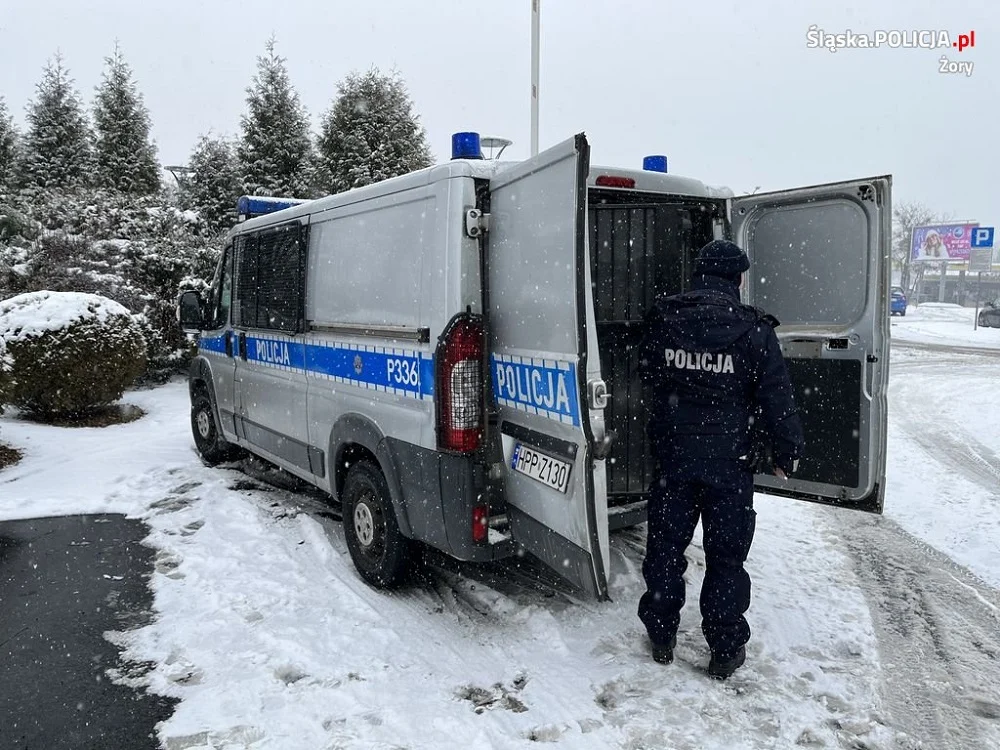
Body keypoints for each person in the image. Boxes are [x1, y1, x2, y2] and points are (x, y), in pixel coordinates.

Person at [636, 239, 805, 680]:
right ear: (739, 279)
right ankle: (725, 649)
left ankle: (661, 634)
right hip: (730, 462)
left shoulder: (665, 317)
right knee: (726, 558)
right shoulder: (754, 330)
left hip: (675, 457)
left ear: (699, 273)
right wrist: (786, 452)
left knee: (666, 548)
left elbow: (648, 374)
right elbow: (777, 398)